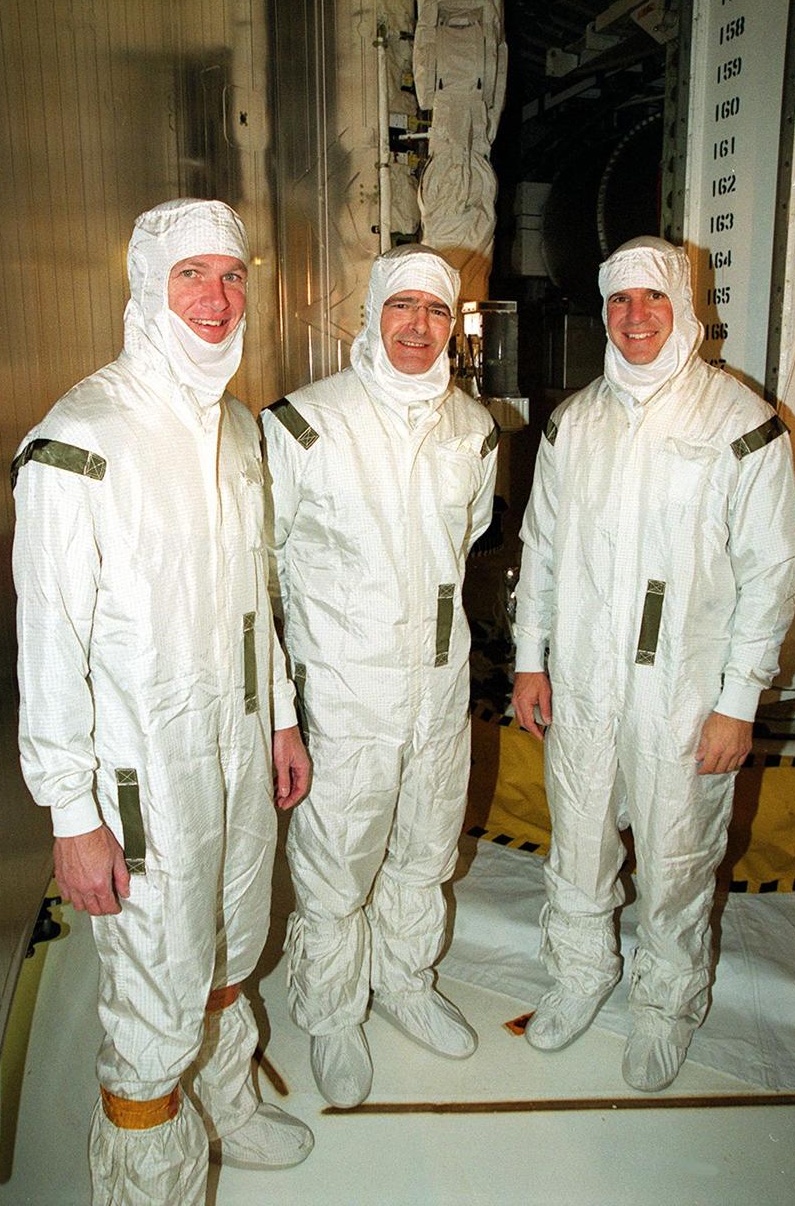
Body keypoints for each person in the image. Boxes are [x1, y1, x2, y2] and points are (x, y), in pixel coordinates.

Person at [12, 199, 314, 1206]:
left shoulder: (232, 427)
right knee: (153, 991)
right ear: (148, 285)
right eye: (193, 275)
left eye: (231, 276)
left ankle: (225, 1096)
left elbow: (251, 594)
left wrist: (276, 714)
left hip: (231, 753)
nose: (217, 298)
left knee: (229, 935)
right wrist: (71, 812)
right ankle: (151, 1181)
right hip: (142, 779)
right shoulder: (81, 439)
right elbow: (49, 640)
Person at [512, 236, 795, 1091]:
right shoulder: (577, 421)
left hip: (685, 691)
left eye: (653, 299)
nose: (635, 318)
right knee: (578, 839)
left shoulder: (739, 424)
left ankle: (668, 1002)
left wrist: (738, 701)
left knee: (677, 859)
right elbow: (544, 547)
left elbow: (773, 570)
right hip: (587, 686)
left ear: (684, 307)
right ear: (604, 312)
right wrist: (532, 660)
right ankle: (580, 973)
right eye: (619, 301)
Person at [261, 244, 498, 1108]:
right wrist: (285, 708)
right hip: (343, 692)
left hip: (436, 686)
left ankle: (403, 983)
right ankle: (330, 1012)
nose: (417, 327)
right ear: (370, 312)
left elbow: (461, 543)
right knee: (336, 861)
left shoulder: (471, 431)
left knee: (427, 848)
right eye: (403, 307)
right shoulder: (303, 425)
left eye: (436, 312)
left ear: (452, 325)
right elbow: (266, 573)